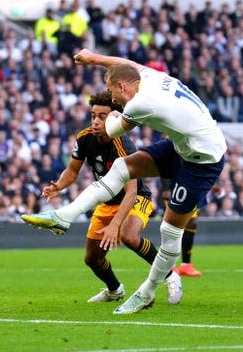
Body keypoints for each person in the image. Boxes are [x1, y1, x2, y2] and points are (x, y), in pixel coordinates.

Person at [23, 48, 226, 314]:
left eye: (113, 92)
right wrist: (94, 59)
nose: (113, 99)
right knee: (122, 167)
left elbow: (111, 130)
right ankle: (64, 215)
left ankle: (147, 291)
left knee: (169, 231)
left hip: (202, 160)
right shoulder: (151, 78)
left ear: (121, 86)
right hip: (183, 145)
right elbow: (127, 63)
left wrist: (113, 117)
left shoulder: (140, 104)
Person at [40, 91, 181, 304]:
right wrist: (58, 186)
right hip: (107, 202)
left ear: (114, 119)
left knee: (129, 236)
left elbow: (131, 191)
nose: (96, 121)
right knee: (92, 258)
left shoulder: (123, 146)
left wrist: (115, 225)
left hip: (135, 199)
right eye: (93, 116)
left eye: (102, 116)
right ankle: (114, 290)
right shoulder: (84, 137)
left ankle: (170, 275)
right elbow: (72, 171)